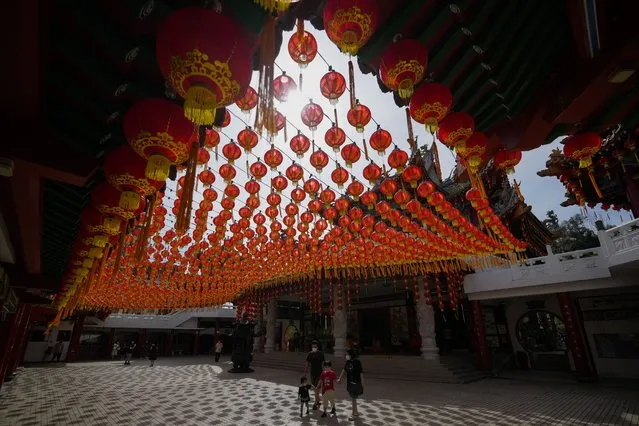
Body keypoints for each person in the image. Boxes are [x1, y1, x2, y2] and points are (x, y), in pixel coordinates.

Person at [338, 349, 364, 421]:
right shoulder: (348, 362)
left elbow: (361, 373)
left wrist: (362, 383)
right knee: (354, 399)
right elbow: (344, 370)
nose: (346, 356)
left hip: (356, 383)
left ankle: (353, 415)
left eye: (347, 354)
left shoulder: (357, 362)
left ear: (351, 355)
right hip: (350, 383)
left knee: (353, 400)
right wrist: (339, 378)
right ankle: (356, 412)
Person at [304, 340, 325, 410]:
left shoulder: (321, 354)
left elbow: (323, 363)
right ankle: (318, 400)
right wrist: (305, 373)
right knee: (315, 388)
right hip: (312, 373)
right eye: (313, 347)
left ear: (317, 347)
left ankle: (316, 403)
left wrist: (324, 372)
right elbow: (307, 363)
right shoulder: (310, 354)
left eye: (315, 346)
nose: (314, 348)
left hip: (319, 373)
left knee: (317, 388)